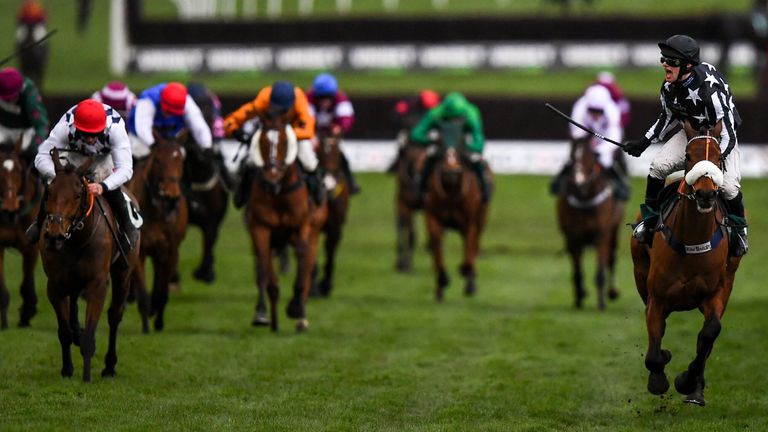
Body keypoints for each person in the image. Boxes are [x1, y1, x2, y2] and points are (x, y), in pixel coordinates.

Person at [623, 34, 748, 256]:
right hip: (691, 134)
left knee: (728, 188)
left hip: (721, 138)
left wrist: (715, 159)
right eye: (663, 59)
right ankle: (649, 222)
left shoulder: (711, 93)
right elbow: (667, 117)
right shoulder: (669, 87)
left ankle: (740, 233)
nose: (665, 64)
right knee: (658, 167)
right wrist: (643, 142)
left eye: (671, 61)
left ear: (688, 65)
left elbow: (729, 133)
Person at [25, 99, 137, 252]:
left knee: (109, 180)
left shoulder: (115, 129)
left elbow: (126, 169)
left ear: (103, 127)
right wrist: (61, 177)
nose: (90, 139)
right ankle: (39, 222)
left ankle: (127, 225)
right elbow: (41, 157)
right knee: (55, 184)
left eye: (95, 134)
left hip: (103, 156)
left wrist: (103, 186)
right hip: (75, 153)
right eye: (86, 134)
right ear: (76, 127)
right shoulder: (65, 127)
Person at [223, 80, 323, 208]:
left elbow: (308, 130)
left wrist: (286, 135)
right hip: (268, 131)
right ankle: (243, 191)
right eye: (276, 107)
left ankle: (317, 189)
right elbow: (233, 119)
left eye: (283, 109)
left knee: (308, 161)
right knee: (251, 160)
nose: (280, 112)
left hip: (293, 133)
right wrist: (234, 131)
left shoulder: (299, 100)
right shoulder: (264, 98)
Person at [550, 84, 629, 200]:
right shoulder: (580, 107)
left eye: (599, 111)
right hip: (585, 139)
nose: (595, 114)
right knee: (576, 158)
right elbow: (576, 132)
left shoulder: (613, 111)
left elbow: (614, 136)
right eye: (592, 110)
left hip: (605, 140)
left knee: (607, 161)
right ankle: (559, 182)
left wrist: (599, 150)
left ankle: (621, 186)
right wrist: (587, 144)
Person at [410, 91, 489, 203]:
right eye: (448, 119)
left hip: (463, 146)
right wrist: (431, 141)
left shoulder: (471, 113)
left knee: (477, 161)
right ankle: (421, 192)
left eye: (456, 119)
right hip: (441, 146)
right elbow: (416, 133)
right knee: (427, 160)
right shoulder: (436, 112)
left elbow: (479, 140)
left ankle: (484, 193)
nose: (453, 122)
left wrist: (469, 147)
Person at [127, 82, 212, 160]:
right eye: (167, 112)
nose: (169, 116)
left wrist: (206, 146)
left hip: (169, 137)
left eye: (173, 113)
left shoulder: (186, 101)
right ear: (161, 102)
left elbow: (199, 126)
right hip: (140, 137)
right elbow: (143, 128)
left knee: (181, 154)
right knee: (142, 152)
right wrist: (153, 144)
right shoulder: (148, 100)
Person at [306, 73, 360, 194]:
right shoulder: (308, 98)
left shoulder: (341, 99)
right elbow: (306, 119)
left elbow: (346, 118)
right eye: (321, 98)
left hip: (332, 135)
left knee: (340, 156)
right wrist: (311, 136)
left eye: (328, 97)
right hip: (313, 134)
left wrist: (340, 128)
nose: (325, 101)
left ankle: (351, 182)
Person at [187, 81, 234, 189]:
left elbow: (217, 122)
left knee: (217, 153)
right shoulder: (186, 104)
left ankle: (227, 181)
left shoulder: (213, 101)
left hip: (210, 136)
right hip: (191, 137)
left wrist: (216, 140)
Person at [0, 66, 48, 166]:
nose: (9, 101)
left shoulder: (30, 94)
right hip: (2, 128)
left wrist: (36, 145)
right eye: (6, 99)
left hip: (24, 131)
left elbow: (41, 125)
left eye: (11, 98)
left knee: (34, 157)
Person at [388, 89, 441, 172]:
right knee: (402, 142)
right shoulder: (409, 106)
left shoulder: (436, 110)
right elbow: (398, 116)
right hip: (410, 130)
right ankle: (398, 161)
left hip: (427, 131)